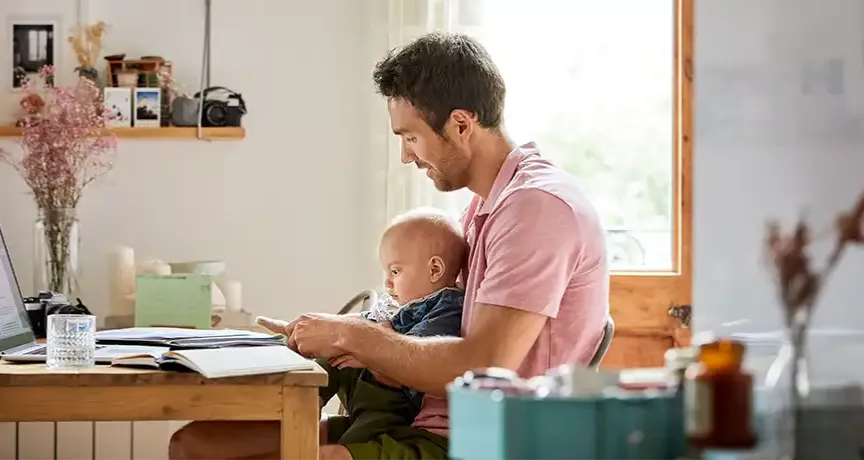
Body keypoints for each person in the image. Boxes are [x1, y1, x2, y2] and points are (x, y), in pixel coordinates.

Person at [169, 31, 610, 460]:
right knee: (195, 445)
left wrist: (353, 335)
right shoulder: (484, 209)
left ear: (460, 124)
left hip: (479, 440)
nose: (405, 156)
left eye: (410, 137)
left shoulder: (535, 209)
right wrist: (341, 336)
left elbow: (482, 365)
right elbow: (435, 326)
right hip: (424, 418)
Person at [316, 207, 466, 450]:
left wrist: (367, 348)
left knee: (360, 436)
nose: (387, 282)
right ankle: (311, 397)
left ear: (435, 269)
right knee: (333, 347)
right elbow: (366, 322)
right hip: (370, 380)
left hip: (395, 398)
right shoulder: (404, 303)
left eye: (395, 271)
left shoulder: (447, 306)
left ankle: (349, 445)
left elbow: (415, 353)